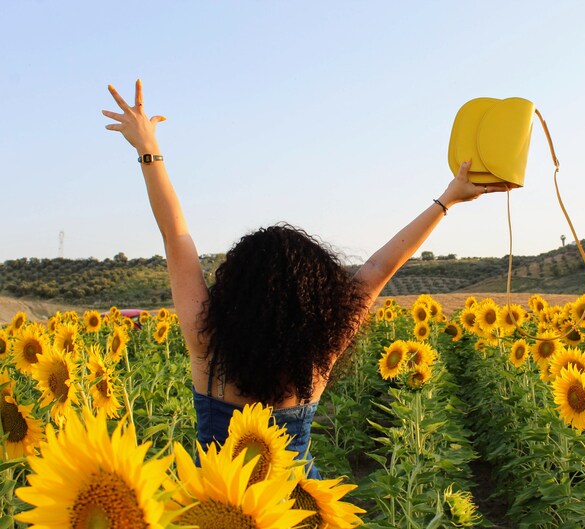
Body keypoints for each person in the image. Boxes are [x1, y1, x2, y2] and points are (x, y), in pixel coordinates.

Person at [102, 80, 506, 477]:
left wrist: (149, 150)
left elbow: (176, 236)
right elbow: (380, 268)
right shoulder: (319, 352)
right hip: (297, 508)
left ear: (235, 288)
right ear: (320, 299)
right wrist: (448, 198)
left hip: (214, 504)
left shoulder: (208, 345)